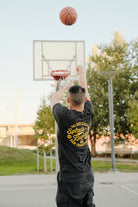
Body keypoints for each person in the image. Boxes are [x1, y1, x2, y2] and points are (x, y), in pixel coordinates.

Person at [50, 65, 95, 207]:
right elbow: (84, 88)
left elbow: (53, 100)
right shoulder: (88, 113)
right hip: (87, 175)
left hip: (70, 177)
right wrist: (81, 72)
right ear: (85, 100)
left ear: (68, 101)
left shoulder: (64, 116)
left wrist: (65, 87)